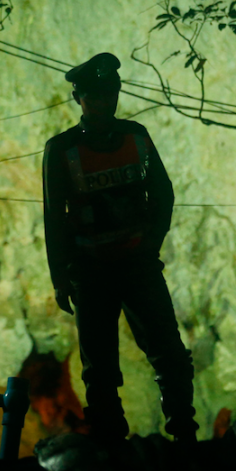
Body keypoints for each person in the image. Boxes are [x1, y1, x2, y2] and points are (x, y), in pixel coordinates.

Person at [42, 52, 198, 443]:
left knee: (169, 354)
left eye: (111, 93)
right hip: (91, 270)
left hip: (137, 264)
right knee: (99, 368)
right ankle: (111, 444)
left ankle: (184, 434)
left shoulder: (135, 135)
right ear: (79, 97)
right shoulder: (61, 149)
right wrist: (61, 277)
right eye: (96, 95)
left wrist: (151, 244)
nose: (106, 102)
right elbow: (53, 217)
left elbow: (163, 192)